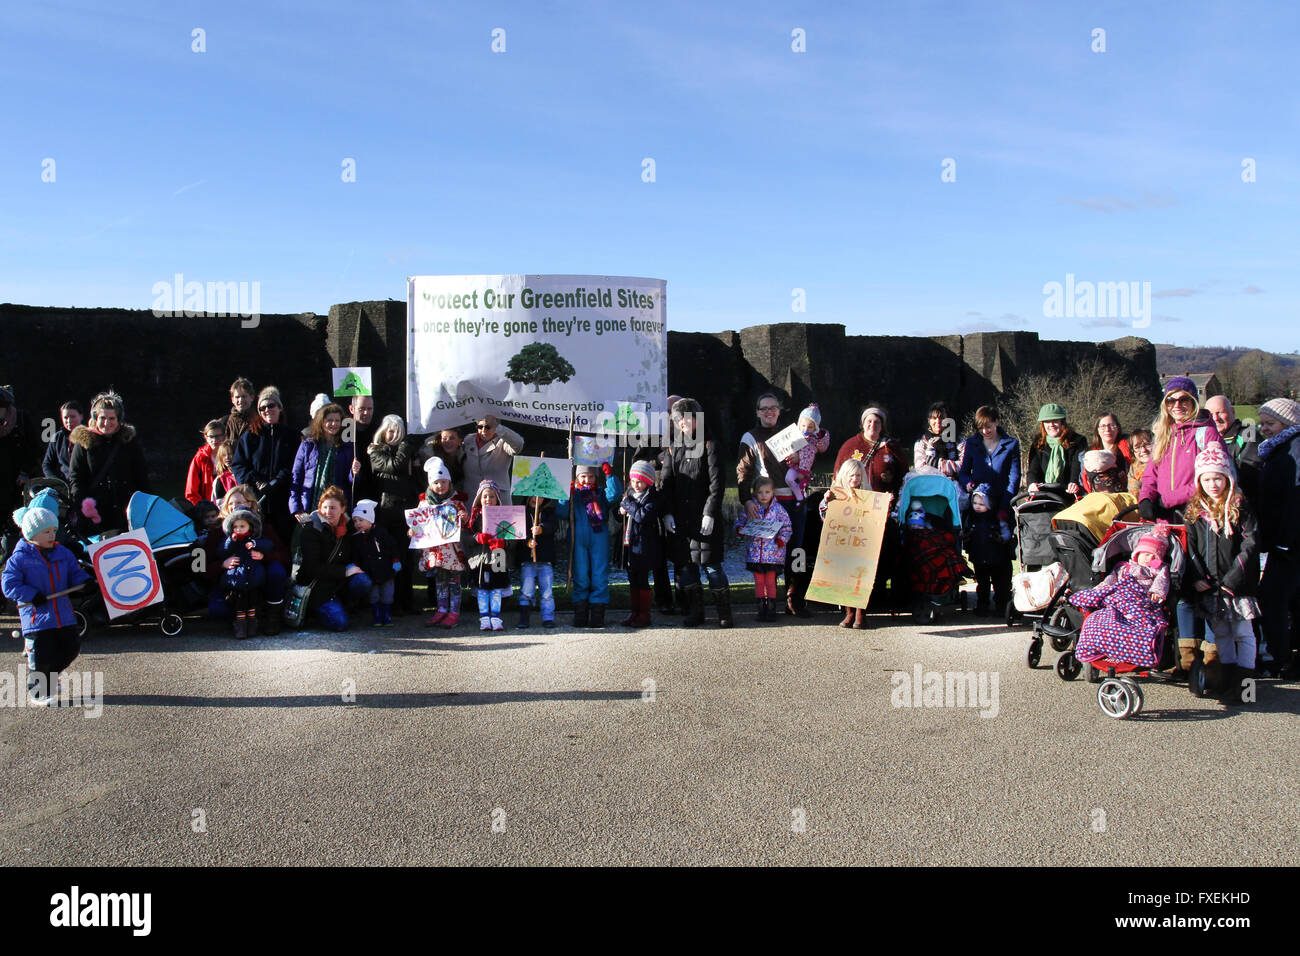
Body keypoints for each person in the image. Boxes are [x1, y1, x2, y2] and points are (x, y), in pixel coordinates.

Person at [1138, 376, 1231, 675]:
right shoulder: (1163, 434)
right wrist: (1146, 499)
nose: (1178, 406)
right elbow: (1150, 474)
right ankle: (1184, 660)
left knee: (1201, 584)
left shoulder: (1206, 434)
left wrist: (1168, 498)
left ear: (1194, 402)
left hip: (1197, 519)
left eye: (1184, 400)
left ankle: (1212, 663)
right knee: (1177, 588)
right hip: (1169, 522)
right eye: (1171, 400)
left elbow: (1212, 476)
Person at [1185, 445, 1260, 704]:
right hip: (1210, 586)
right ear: (1199, 481)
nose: (1213, 484)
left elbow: (1250, 545)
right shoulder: (1196, 512)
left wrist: (1232, 579)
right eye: (1206, 479)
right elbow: (1192, 548)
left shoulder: (1241, 507)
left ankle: (1246, 686)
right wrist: (1198, 578)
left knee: (1243, 633)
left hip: (1236, 586)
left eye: (1218, 477)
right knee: (1222, 635)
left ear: (1228, 478)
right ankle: (1226, 682)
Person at [2, 506, 93, 705]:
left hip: (63, 614)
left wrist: (84, 581)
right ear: (31, 534)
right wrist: (31, 595)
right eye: (46, 531)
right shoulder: (20, 558)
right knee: (42, 656)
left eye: (53, 530)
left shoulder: (63, 553)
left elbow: (74, 572)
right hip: (37, 619)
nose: (52, 535)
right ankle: (38, 692)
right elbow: (9, 584)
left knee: (71, 648)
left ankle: (49, 679)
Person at [662, 398, 731, 628]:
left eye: (688, 417)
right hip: (682, 518)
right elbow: (667, 483)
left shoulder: (711, 445)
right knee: (687, 566)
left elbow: (717, 483)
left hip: (704, 517)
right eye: (679, 418)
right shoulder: (673, 448)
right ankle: (696, 612)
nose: (684, 422)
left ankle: (724, 612)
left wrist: (710, 512)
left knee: (712, 566)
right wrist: (667, 513)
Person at [832, 404, 906, 609]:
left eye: (877, 422)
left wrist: (895, 499)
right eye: (869, 421)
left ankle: (880, 590)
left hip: (883, 511)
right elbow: (838, 478)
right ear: (863, 424)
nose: (873, 425)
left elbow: (904, 478)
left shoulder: (892, 448)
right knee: (856, 554)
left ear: (882, 426)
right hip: (855, 512)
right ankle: (853, 598)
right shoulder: (850, 446)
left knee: (884, 550)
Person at [1069, 525, 1173, 671]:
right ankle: (1099, 646)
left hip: (1140, 600)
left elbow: (1162, 581)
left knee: (1141, 626)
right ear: (1136, 553)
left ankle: (1137, 650)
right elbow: (1110, 581)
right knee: (1096, 619)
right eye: (1144, 553)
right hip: (1118, 599)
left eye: (1153, 555)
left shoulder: (1157, 569)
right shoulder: (1124, 566)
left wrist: (1156, 592)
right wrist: (1101, 589)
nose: (1148, 557)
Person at [1254, 397, 1300, 680]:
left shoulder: (1294, 450)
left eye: (1269, 423)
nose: (1264, 429)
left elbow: (1296, 498)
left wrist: (1285, 540)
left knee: (1274, 598)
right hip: (1284, 540)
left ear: (1288, 422)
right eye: (1262, 423)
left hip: (1290, 542)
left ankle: (1278, 659)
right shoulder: (1280, 448)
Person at [209, 486, 290, 634]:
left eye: (239, 503)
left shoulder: (263, 527)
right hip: (232, 582)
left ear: (251, 504)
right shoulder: (217, 531)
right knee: (217, 610)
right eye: (231, 504)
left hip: (258, 578)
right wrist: (222, 564)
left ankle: (272, 617)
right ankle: (240, 618)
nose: (235, 507)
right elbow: (201, 566)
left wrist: (265, 557)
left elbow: (284, 556)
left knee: (277, 571)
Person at [68, 391, 150, 534]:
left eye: (111, 418)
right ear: (95, 418)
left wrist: (145, 506)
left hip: (126, 511)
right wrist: (83, 507)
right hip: (95, 514)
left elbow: (141, 477)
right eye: (102, 418)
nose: (107, 423)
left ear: (119, 419)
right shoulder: (84, 443)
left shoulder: (129, 442)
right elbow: (76, 479)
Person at [294, 485, 370, 631]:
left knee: (362, 580)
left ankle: (346, 604)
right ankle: (315, 611)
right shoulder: (311, 530)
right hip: (317, 585)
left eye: (333, 508)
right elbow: (312, 568)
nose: (329, 512)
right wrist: (344, 572)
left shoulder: (348, 529)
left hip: (337, 582)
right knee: (339, 624)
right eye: (325, 507)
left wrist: (353, 568)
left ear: (342, 509)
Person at [779, 404, 831, 616]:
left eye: (773, 409)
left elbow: (820, 446)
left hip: (797, 499)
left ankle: (796, 596)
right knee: (774, 552)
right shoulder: (757, 437)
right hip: (772, 499)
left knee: (798, 550)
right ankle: (772, 598)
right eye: (765, 409)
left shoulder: (807, 436)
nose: (769, 412)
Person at [231, 387, 296, 546]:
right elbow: (239, 465)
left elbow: (295, 464)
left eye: (271, 405)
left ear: (279, 407)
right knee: (256, 542)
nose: (267, 410)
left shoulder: (291, 435)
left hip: (282, 499)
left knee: (282, 542)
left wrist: (278, 480)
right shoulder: (250, 436)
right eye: (262, 407)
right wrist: (257, 481)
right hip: (257, 500)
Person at [367, 414, 417, 615]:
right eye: (391, 430)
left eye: (399, 431)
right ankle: (391, 602)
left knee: (407, 559)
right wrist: (406, 447)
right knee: (389, 559)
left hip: (406, 512)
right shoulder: (376, 452)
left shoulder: (408, 453)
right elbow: (394, 466)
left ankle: (407, 600)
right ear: (383, 432)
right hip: (387, 513)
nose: (395, 435)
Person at [417, 457, 469, 629]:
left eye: (443, 482)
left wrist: (464, 518)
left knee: (454, 580)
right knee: (440, 580)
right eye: (436, 482)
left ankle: (454, 611)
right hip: (435, 549)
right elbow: (418, 522)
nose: (440, 486)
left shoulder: (456, 502)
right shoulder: (424, 502)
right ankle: (441, 609)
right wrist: (413, 530)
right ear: (431, 484)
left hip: (452, 550)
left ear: (449, 482)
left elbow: (466, 523)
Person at [570, 463, 623, 629]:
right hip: (577, 537)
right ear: (577, 477)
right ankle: (581, 613)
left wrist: (609, 476)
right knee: (580, 575)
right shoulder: (574, 494)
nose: (587, 480)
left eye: (591, 476)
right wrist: (566, 495)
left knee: (599, 575)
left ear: (596, 477)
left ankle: (598, 615)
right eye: (583, 476)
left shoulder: (600, 493)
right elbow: (562, 513)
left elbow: (615, 496)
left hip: (599, 536)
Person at [819, 459, 870, 628]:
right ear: (844, 476)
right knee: (845, 579)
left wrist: (886, 503)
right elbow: (824, 517)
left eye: (857, 475)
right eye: (851, 476)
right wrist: (827, 502)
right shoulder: (836, 494)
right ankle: (849, 613)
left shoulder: (869, 495)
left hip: (862, 545)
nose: (854, 479)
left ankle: (860, 613)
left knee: (860, 579)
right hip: (843, 543)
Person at [737, 476, 792, 622]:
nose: (764, 495)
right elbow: (740, 521)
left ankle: (772, 609)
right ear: (755, 493)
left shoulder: (779, 510)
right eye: (760, 492)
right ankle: (761, 609)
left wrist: (781, 540)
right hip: (755, 554)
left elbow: (787, 527)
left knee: (770, 581)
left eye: (767, 492)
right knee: (759, 582)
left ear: (773, 492)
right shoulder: (751, 509)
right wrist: (740, 529)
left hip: (774, 554)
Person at [290, 403, 355, 522]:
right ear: (321, 421)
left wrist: (354, 471)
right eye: (329, 420)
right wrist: (296, 507)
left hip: (337, 509)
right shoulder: (308, 445)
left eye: (337, 420)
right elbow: (297, 476)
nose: (334, 424)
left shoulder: (348, 447)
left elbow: (351, 480)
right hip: (309, 506)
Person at [0, 386, 44, 563]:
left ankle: (16, 559)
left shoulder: (21, 419)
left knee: (18, 524)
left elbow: (34, 449)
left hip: (19, 483)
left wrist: (26, 472)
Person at [618, 459, 663, 628]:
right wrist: (620, 510)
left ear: (648, 482)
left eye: (640, 482)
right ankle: (634, 612)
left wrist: (626, 504)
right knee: (632, 579)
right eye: (634, 481)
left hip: (644, 545)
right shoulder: (628, 495)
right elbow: (618, 516)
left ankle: (644, 614)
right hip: (629, 543)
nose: (636, 485)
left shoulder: (652, 498)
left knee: (642, 579)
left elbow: (642, 516)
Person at [467, 479, 514, 632]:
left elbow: (514, 538)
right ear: (479, 499)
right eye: (485, 496)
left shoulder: (505, 516)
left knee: (496, 589)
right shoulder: (473, 518)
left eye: (492, 496)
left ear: (498, 499)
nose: (488, 499)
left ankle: (495, 617)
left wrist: (504, 542)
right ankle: (484, 618)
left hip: (498, 557)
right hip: (480, 559)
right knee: (482, 590)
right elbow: (464, 538)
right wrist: (476, 538)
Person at [219, 508, 273, 639]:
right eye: (235, 526)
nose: (238, 529)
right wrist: (231, 540)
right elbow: (222, 551)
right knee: (239, 602)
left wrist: (256, 545)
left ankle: (252, 624)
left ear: (250, 526)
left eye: (242, 526)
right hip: (238, 576)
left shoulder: (255, 538)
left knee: (253, 600)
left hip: (253, 575)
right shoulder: (232, 540)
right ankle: (240, 625)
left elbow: (268, 545)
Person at [350, 498, 401, 628]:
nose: (358, 523)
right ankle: (377, 616)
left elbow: (392, 546)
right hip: (369, 572)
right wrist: (356, 566)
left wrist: (395, 560)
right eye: (355, 521)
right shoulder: (357, 538)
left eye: (361, 520)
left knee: (387, 595)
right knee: (374, 596)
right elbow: (356, 555)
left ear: (370, 519)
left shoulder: (381, 533)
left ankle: (387, 616)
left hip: (386, 570)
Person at [1205, 395, 1260, 503]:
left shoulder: (1248, 434)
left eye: (1220, 412)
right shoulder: (1205, 438)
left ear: (1232, 412)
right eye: (1211, 414)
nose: (1215, 418)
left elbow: (1250, 473)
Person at [1025, 403, 1087, 496]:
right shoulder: (1038, 443)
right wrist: (1032, 483)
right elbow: (1033, 469)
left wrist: (1074, 483)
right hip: (1044, 493)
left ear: (1062, 422)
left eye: (1055, 421)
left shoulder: (1078, 441)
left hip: (1069, 492)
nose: (1051, 425)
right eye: (1047, 422)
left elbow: (1077, 466)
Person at [517, 495, 557, 629]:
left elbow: (553, 526)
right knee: (526, 590)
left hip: (546, 560)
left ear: (545, 499)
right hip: (527, 561)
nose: (536, 499)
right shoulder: (521, 513)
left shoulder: (549, 512)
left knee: (547, 592)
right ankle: (524, 617)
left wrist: (542, 529)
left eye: (540, 497)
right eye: (533, 496)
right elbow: (518, 533)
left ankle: (548, 618)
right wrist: (528, 542)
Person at [461, 414, 523, 494]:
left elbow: (519, 444)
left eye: (488, 427)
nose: (483, 430)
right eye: (480, 427)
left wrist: (499, 428)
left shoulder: (503, 442)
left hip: (498, 499)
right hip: (471, 498)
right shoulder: (468, 440)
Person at [913, 402, 962, 478]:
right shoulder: (921, 443)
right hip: (929, 484)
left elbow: (964, 465)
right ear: (929, 421)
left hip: (954, 484)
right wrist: (949, 469)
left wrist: (934, 463)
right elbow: (921, 469)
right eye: (934, 418)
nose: (938, 421)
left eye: (942, 417)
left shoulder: (958, 441)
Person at [185, 419, 227, 506]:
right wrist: (201, 508)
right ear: (206, 437)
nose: (215, 440)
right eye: (211, 437)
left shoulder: (231, 453)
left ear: (224, 435)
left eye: (218, 436)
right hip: (207, 505)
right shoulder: (200, 458)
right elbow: (191, 490)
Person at [1086, 412, 1131, 492]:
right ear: (1098, 430)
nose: (1107, 429)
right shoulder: (1090, 453)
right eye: (1103, 426)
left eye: (1111, 425)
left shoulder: (1128, 447)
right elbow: (1085, 479)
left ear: (1118, 428)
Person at [41, 400, 83, 484]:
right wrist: (56, 482)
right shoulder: (57, 437)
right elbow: (47, 464)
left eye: (73, 416)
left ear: (81, 416)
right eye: (65, 417)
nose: (69, 421)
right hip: (63, 485)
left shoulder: (90, 436)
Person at [347, 395, 377, 500]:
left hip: (374, 490)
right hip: (349, 491)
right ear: (351, 409)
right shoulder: (344, 432)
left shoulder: (379, 432)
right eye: (362, 409)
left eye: (369, 409)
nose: (366, 413)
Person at [225, 377, 257, 446]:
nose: (241, 400)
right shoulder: (225, 422)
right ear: (232, 399)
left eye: (244, 396)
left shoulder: (259, 422)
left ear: (252, 398)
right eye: (237, 397)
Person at [1127, 429, 1154, 497]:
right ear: (1132, 450)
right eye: (1137, 447)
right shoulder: (1133, 468)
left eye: (1147, 445)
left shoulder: (1164, 464)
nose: (1143, 450)